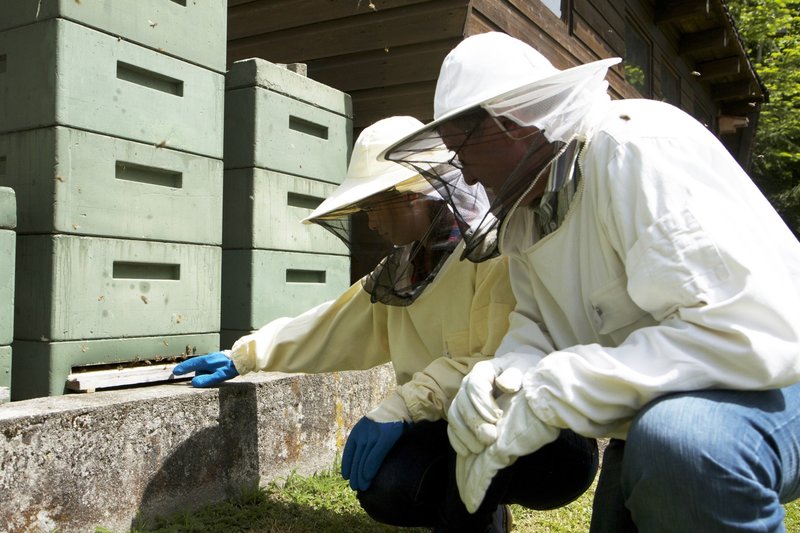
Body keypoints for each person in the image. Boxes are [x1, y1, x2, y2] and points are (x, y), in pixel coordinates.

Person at [383, 32, 800, 532]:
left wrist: (557, 387)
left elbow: (746, 337)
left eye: (464, 153)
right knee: (655, 466)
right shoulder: (528, 212)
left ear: (511, 123)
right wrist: (506, 373)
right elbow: (536, 323)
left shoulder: (638, 150)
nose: (467, 179)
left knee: (682, 450)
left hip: (773, 382)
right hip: (657, 408)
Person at [173, 116, 598, 533]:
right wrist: (245, 353)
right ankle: (486, 515)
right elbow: (329, 325)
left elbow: (501, 369)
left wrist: (403, 405)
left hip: (551, 441)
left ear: (412, 195)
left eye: (375, 205)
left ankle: (475, 520)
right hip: (459, 428)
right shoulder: (400, 271)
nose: (371, 221)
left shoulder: (497, 257)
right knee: (389, 485)